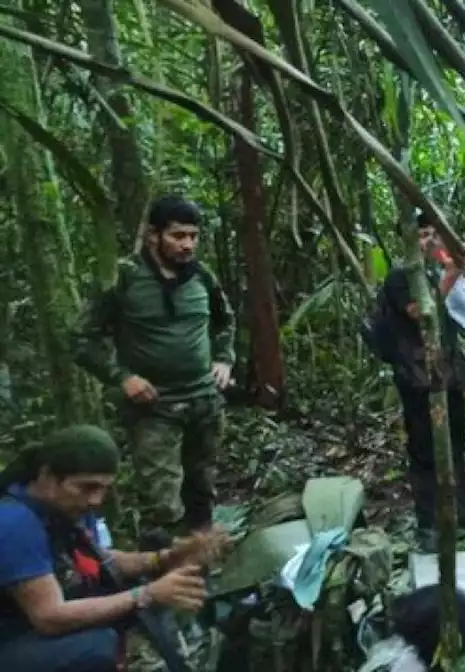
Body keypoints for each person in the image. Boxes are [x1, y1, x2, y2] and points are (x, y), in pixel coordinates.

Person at [71, 195, 235, 538]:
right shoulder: (124, 278)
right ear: (153, 236)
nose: (187, 244)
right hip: (154, 406)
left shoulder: (202, 277)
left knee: (202, 489)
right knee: (162, 503)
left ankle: (202, 568)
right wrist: (122, 378)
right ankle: (163, 579)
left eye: (193, 236)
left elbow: (225, 321)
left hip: (204, 401)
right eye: (177, 236)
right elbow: (81, 338)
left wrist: (224, 358)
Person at [0, 425, 227, 671]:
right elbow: (49, 617)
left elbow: (100, 559)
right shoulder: (15, 523)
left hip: (34, 626)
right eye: (86, 487)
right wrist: (146, 594)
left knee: (136, 590)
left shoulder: (66, 507)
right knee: (95, 648)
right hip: (13, 637)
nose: (96, 500)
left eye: (103, 488)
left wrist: (165, 558)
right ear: (47, 476)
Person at [380, 215, 465, 551]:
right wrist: (452, 274)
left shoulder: (437, 271)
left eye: (433, 234)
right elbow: (421, 312)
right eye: (421, 234)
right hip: (418, 377)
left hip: (447, 372)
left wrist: (454, 270)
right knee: (424, 448)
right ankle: (428, 523)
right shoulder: (400, 277)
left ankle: (461, 508)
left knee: (455, 441)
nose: (428, 241)